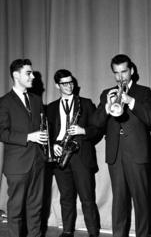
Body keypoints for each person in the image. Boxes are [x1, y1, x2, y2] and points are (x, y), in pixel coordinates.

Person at [91, 54, 151, 237]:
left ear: (132, 71)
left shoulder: (144, 93)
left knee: (142, 202)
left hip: (137, 154)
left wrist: (131, 101)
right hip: (116, 155)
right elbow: (96, 124)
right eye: (117, 73)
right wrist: (106, 107)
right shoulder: (107, 93)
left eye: (124, 71)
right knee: (119, 202)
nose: (121, 77)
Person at [0, 59, 48, 237]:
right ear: (16, 75)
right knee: (16, 211)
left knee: (36, 209)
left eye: (32, 73)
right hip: (17, 165)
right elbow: (0, 133)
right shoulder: (4, 102)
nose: (32, 76)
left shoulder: (36, 100)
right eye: (28, 73)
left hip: (38, 162)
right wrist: (28, 137)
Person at [47, 69, 101, 237]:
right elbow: (47, 133)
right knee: (66, 198)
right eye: (64, 83)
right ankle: (67, 231)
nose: (69, 86)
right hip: (60, 155)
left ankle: (93, 233)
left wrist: (83, 130)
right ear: (57, 85)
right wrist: (53, 145)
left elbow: (97, 129)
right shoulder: (50, 107)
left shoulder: (86, 104)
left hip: (80, 156)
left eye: (71, 82)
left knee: (87, 198)